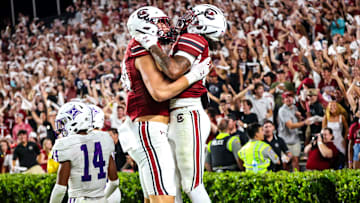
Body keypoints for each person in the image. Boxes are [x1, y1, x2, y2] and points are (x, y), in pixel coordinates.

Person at [135, 4, 226, 203]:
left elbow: (174, 70)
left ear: (203, 23)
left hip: (187, 112)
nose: (186, 19)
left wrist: (152, 46)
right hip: (180, 113)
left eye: (193, 16)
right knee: (171, 184)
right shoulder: (190, 39)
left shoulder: (193, 38)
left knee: (191, 184)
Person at [49, 102, 119, 203]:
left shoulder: (67, 145)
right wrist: (103, 198)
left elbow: (60, 189)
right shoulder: (104, 139)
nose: (62, 127)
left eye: (65, 122)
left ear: (74, 121)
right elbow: (115, 182)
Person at [89, 104, 122, 203]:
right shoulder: (107, 138)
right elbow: (115, 182)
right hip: (112, 190)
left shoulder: (82, 140)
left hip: (95, 192)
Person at [277, 91, 311, 171]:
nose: (289, 99)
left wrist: (300, 118)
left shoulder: (294, 108)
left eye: (290, 97)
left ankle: (297, 180)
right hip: (285, 142)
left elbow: (297, 122)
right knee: (286, 162)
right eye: (286, 97)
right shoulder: (282, 110)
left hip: (295, 140)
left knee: (296, 161)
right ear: (283, 100)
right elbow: (290, 126)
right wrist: (304, 122)